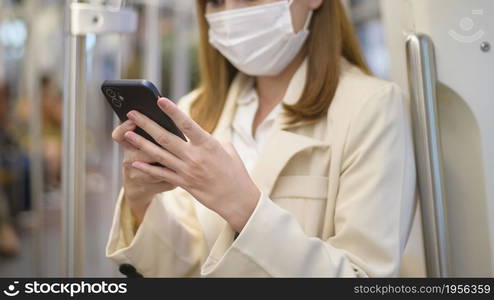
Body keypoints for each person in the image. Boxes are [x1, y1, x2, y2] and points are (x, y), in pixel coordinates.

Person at [106, 0, 425, 277]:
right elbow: (184, 268)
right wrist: (140, 201)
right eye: (216, 1)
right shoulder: (193, 112)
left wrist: (243, 206)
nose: (230, 14)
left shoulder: (372, 107)